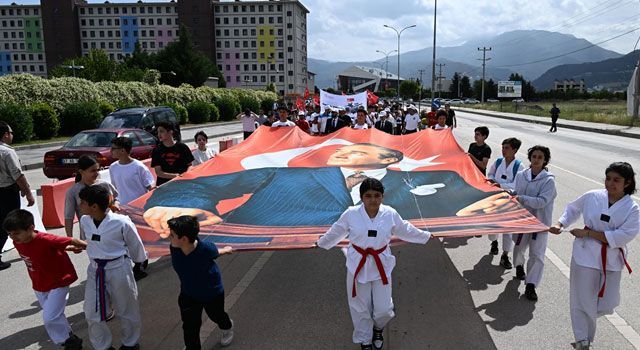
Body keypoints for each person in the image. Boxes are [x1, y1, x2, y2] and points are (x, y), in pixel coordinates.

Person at [143, 142, 508, 235]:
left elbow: (473, 193)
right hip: (249, 233)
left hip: (367, 250)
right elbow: (201, 185)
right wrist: (179, 206)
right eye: (345, 148)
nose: (347, 151)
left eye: (361, 149)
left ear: (388, 159)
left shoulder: (424, 179)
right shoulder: (287, 173)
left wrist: (490, 203)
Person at [316, 178, 431, 349]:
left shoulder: (389, 213)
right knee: (359, 306)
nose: (373, 200)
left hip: (381, 264)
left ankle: (378, 328)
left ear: (382, 197)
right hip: (358, 264)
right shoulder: (351, 214)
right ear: (362, 197)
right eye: (368, 196)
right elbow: (337, 231)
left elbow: (404, 229)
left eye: (377, 195)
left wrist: (426, 236)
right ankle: (365, 340)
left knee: (383, 308)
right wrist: (322, 243)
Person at [549, 162, 638, 350]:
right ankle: (583, 339)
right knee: (581, 297)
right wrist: (560, 224)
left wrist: (589, 233)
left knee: (608, 302)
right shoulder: (593, 196)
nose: (610, 183)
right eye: (608, 178)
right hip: (585, 255)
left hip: (611, 259)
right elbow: (573, 209)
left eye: (616, 180)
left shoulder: (632, 208)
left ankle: (587, 321)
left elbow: (624, 235)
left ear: (627, 183)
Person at [4, 209, 86, 349]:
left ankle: (67, 341)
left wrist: (92, 246)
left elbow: (73, 241)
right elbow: (42, 252)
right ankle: (71, 340)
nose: (13, 238)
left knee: (50, 317)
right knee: (56, 315)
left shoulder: (46, 239)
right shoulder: (18, 242)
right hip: (39, 284)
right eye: (10, 234)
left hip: (58, 282)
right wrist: (64, 249)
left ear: (31, 228)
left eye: (17, 233)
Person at [79, 185, 147, 350]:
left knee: (126, 308)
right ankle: (102, 346)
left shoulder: (121, 221)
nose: (80, 205)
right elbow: (88, 241)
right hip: (95, 269)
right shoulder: (85, 221)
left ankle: (130, 343)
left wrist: (139, 261)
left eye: (83, 203)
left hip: (118, 268)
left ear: (94, 206)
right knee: (91, 311)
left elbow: (135, 245)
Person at [168, 215, 235, 349]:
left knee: (216, 315)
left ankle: (227, 326)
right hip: (188, 294)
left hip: (211, 292)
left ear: (184, 239)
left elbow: (216, 253)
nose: (169, 237)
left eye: (172, 235)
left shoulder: (205, 249)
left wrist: (226, 250)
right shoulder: (174, 247)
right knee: (190, 326)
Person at [511, 145, 557, 301]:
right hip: (521, 221)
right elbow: (516, 193)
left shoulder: (549, 181)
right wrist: (507, 193)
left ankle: (531, 285)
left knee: (537, 255)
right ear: (529, 157)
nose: (536, 159)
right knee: (518, 248)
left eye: (540, 157)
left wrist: (522, 198)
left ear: (545, 161)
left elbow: (542, 202)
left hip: (539, 223)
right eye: (534, 156)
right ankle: (518, 266)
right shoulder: (520, 175)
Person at [109, 137, 154, 280]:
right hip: (122, 210)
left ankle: (140, 263)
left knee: (138, 238)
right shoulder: (113, 167)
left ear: (123, 150)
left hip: (139, 210)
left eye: (113, 148)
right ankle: (136, 261)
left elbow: (150, 186)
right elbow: (115, 189)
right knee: (126, 239)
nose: (111, 151)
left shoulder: (138, 167)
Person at [0, 121, 35, 270]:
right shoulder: (7, 152)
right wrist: (28, 194)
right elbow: (17, 175)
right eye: (11, 133)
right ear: (6, 134)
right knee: (9, 224)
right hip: (7, 192)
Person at [486, 138, 524, 269]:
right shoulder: (498, 162)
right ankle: (494, 242)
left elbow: (517, 185)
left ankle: (505, 255)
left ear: (514, 150)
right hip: (495, 199)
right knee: (493, 226)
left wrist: (500, 184)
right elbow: (490, 175)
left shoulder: (519, 166)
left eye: (507, 148)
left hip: (509, 202)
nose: (503, 150)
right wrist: (491, 182)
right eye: (503, 147)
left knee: (507, 230)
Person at [64, 155, 119, 240]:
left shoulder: (105, 185)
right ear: (81, 172)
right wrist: (70, 239)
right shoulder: (73, 191)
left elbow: (115, 199)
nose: (97, 173)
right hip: (89, 234)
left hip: (110, 229)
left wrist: (115, 205)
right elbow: (69, 217)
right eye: (93, 171)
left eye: (98, 170)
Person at [151, 121, 194, 186]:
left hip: (183, 184)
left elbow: (190, 165)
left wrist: (186, 174)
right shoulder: (157, 150)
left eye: (162, 131)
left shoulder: (183, 147)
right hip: (165, 186)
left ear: (170, 132)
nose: (159, 134)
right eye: (158, 132)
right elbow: (158, 172)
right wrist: (175, 176)